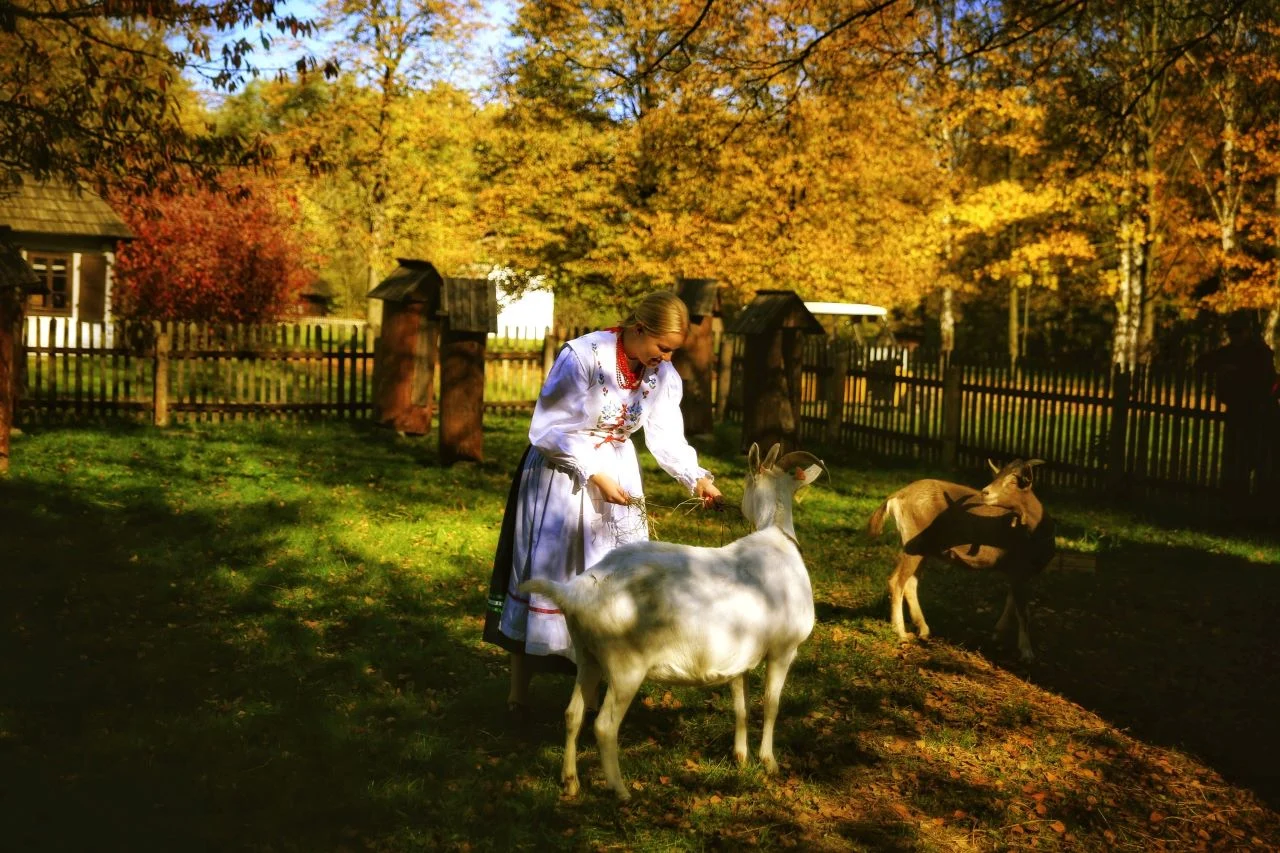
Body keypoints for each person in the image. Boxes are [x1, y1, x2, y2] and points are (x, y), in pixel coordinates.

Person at [483, 290, 723, 716]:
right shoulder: (583, 357)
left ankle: (590, 695)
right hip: (563, 475)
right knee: (551, 571)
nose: (666, 358)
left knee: (610, 582)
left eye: (673, 351)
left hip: (618, 475)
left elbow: (666, 435)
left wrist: (696, 477)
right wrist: (593, 472)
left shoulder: (660, 375)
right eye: (662, 347)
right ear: (639, 329)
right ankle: (518, 694)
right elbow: (548, 427)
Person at [1200, 311, 1279, 502]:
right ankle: (1237, 498)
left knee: (1260, 461)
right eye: (1231, 333)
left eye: (1238, 332)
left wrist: (1236, 372)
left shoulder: (1259, 352)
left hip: (1260, 414)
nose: (1234, 337)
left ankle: (1261, 501)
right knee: (1237, 460)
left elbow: (1263, 380)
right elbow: (1202, 363)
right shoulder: (1229, 353)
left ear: (1247, 332)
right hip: (1239, 413)